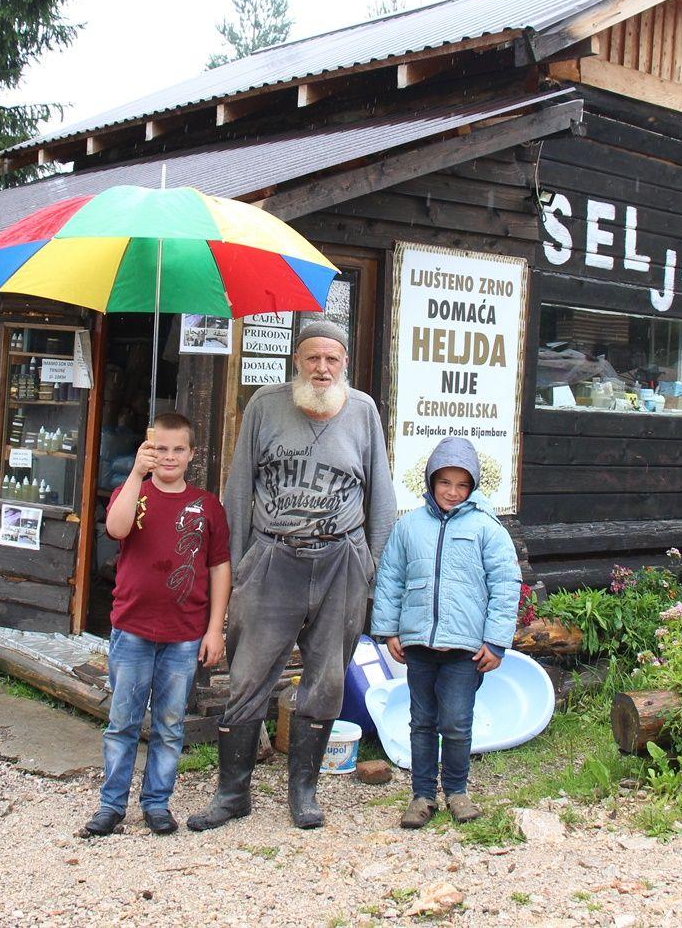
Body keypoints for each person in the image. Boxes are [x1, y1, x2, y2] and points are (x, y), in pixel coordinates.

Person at [188, 321, 397, 831]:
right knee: (247, 676)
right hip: (273, 559)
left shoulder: (364, 410)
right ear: (296, 361)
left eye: (331, 359)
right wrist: (238, 568)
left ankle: (303, 793)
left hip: (340, 563)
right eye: (312, 358)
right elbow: (238, 489)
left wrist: (371, 565)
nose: (322, 368)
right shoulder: (265, 404)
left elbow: (383, 499)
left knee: (326, 680)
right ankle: (233, 794)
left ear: (344, 362)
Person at [80, 412, 231, 838]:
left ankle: (157, 804)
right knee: (123, 723)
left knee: (169, 726)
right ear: (148, 451)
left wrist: (214, 628)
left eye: (177, 449)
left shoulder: (207, 506)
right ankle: (111, 806)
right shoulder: (135, 493)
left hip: (183, 635)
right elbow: (116, 527)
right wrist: (134, 472)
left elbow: (220, 568)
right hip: (132, 629)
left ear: (191, 455)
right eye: (159, 448)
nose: (169, 457)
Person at [370, 436, 521, 829]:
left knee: (455, 721)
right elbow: (390, 578)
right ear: (431, 481)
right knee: (421, 721)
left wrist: (496, 641)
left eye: (461, 484)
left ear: (472, 487)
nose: (452, 492)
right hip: (419, 643)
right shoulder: (409, 526)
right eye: (445, 483)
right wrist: (388, 630)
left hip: (465, 648)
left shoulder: (487, 528)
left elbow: (506, 584)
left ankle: (457, 791)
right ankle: (421, 796)